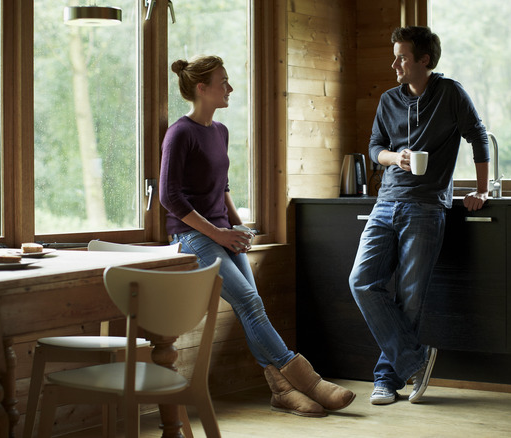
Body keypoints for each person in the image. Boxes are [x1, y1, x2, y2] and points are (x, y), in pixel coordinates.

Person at [160, 55, 354, 417]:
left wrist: (238, 227)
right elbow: (169, 197)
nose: (230, 88)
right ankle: (310, 382)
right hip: (190, 238)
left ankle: (281, 390)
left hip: (224, 234)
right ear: (202, 88)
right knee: (250, 302)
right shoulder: (180, 133)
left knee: (252, 305)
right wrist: (219, 234)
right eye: (223, 82)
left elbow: (222, 187)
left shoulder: (219, 131)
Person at [349, 26, 490, 406]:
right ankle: (416, 359)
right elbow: (375, 147)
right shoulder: (388, 100)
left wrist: (482, 189)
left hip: (427, 207)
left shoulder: (450, 93)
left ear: (423, 60)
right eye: (395, 57)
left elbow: (477, 135)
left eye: (402, 58)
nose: (394, 64)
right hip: (386, 203)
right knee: (361, 282)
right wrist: (396, 157)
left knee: (410, 297)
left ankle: (385, 380)